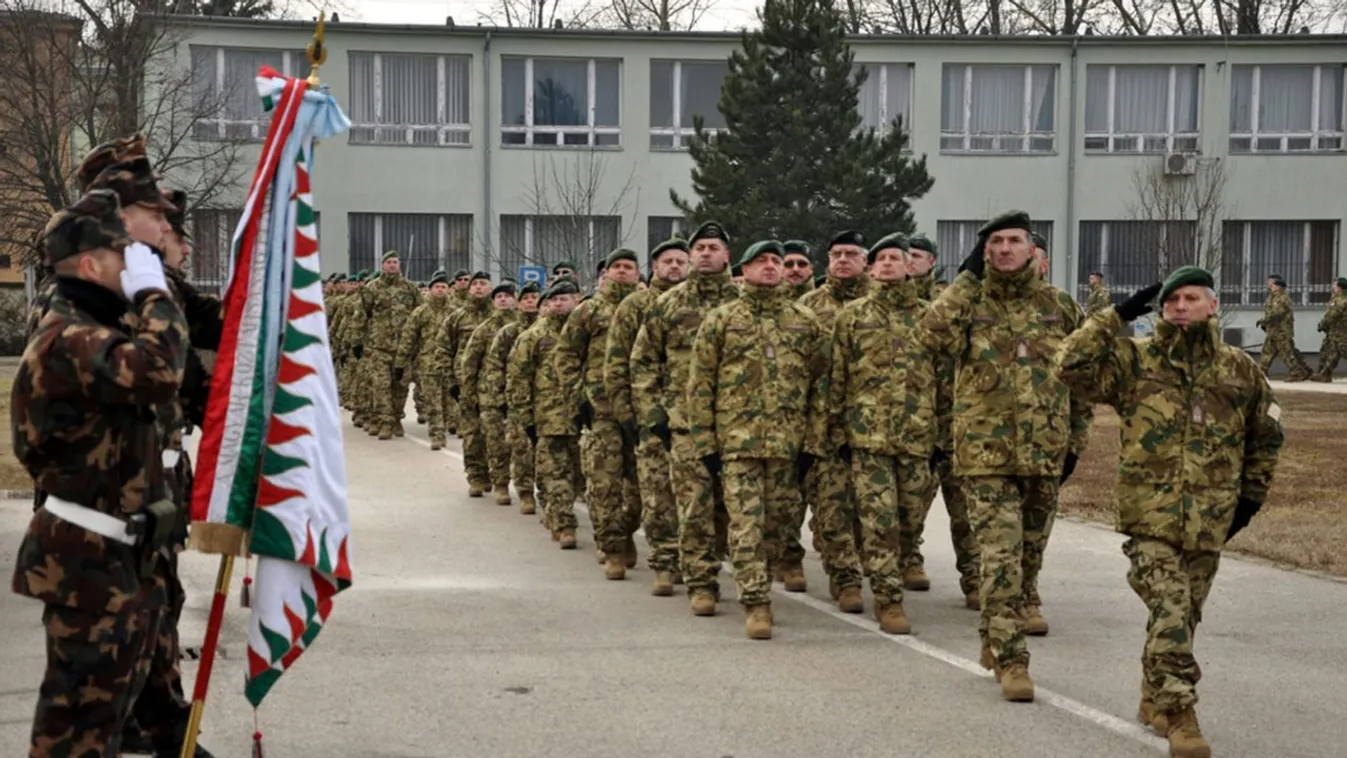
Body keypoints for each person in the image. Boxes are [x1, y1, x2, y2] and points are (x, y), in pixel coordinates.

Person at [1054, 266, 1284, 758]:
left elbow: (1266, 437)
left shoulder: (1240, 370)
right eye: (1171, 299)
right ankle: (1180, 713)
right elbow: (1068, 366)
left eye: (1191, 298)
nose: (1180, 306)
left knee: (1183, 615)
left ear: (1213, 305)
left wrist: (1249, 500)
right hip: (1149, 517)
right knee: (1171, 608)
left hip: (1210, 518)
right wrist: (1112, 317)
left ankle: (1152, 695)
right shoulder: (1135, 362)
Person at [12, 189, 189, 757]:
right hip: (85, 564)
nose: (138, 262)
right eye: (125, 256)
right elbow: (161, 371)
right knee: (76, 734)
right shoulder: (69, 339)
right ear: (91, 265)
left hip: (112, 558)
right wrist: (155, 294)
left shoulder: (95, 329)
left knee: (104, 724)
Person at [918, 210, 1092, 702]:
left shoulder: (1059, 306)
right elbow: (929, 337)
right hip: (984, 456)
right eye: (994, 242)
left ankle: (994, 634)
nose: (1004, 249)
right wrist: (966, 277)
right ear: (985, 251)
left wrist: (1074, 444)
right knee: (998, 558)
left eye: (1014, 240)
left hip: (1043, 453)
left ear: (1033, 249)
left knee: (1028, 559)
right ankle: (1013, 660)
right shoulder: (970, 303)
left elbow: (1081, 380)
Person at [686, 240, 828, 639]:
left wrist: (812, 444)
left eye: (775, 261)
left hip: (788, 444)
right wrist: (706, 444)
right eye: (760, 261)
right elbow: (700, 385)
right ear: (743, 270)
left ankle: (762, 579)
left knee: (777, 525)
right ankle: (756, 601)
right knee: (746, 523)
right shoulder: (721, 320)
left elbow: (821, 387)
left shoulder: (805, 321)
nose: (769, 267)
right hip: (737, 445)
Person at [827, 233, 937, 635]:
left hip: (918, 437)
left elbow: (945, 380)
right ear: (871, 269)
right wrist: (835, 432)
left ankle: (899, 570)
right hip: (867, 438)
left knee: (910, 520)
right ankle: (888, 600)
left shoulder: (930, 316)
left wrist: (943, 437)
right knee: (879, 520)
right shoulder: (852, 317)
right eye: (881, 259)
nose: (888, 264)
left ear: (911, 266)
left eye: (896, 258)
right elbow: (836, 378)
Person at [631, 221, 739, 615]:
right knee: (694, 505)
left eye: (714, 247)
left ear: (728, 255)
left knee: (731, 508)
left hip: (738, 425)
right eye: (700, 248)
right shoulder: (668, 304)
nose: (706, 253)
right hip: (685, 423)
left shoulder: (742, 302)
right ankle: (700, 582)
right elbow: (643, 360)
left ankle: (717, 561)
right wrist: (652, 413)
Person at [605, 238, 691, 595]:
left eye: (680, 261)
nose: (674, 267)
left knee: (693, 496)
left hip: (693, 419)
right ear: (654, 267)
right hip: (648, 417)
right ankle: (660, 561)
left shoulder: (700, 304)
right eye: (667, 261)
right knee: (652, 495)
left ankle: (688, 560)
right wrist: (627, 415)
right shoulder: (635, 305)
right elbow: (619, 362)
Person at [553, 249, 643, 579]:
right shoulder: (588, 311)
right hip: (601, 410)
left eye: (628, 267)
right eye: (615, 267)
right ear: (605, 273)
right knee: (605, 485)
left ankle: (628, 530)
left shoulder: (648, 308)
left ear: (637, 273)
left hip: (641, 410)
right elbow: (565, 356)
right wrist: (578, 399)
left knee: (641, 488)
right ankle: (612, 548)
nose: (622, 272)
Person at [798, 230, 872, 608]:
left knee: (877, 511)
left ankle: (871, 564)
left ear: (865, 260)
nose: (843, 260)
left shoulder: (881, 304)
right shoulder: (809, 307)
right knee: (832, 506)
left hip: (876, 425)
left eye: (851, 253)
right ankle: (845, 580)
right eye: (836, 254)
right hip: (825, 425)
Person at [906, 233, 978, 604]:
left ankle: (975, 578)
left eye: (917, 255)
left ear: (932, 262)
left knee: (964, 510)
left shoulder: (948, 302)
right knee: (911, 506)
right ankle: (909, 559)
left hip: (959, 423)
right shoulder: (893, 304)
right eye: (906, 255)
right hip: (919, 425)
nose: (909, 261)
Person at [509, 279, 583, 546]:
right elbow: (518, 378)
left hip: (583, 418)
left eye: (565, 298)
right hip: (548, 419)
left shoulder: (586, 332)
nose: (559, 304)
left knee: (578, 474)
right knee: (555, 473)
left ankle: (556, 511)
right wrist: (526, 419)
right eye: (554, 300)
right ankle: (565, 526)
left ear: (577, 300)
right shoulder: (534, 336)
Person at [351, 250, 422, 440]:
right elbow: (361, 314)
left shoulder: (410, 288)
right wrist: (356, 340)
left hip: (403, 348)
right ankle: (384, 422)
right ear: (382, 265)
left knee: (400, 386)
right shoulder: (372, 288)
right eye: (388, 262)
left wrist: (420, 342)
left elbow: (420, 316)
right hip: (379, 346)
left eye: (395, 262)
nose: (392, 265)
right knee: (381, 386)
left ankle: (397, 417)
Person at [463, 281, 521, 504]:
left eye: (508, 296)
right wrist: (468, 393)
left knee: (518, 443)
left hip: (519, 393)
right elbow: (470, 362)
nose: (503, 299)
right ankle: (500, 483)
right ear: (493, 301)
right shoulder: (484, 329)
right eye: (499, 297)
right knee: (494, 440)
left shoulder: (522, 327)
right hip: (490, 393)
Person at [435, 271, 493, 495]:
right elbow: (443, 348)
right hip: (466, 383)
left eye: (483, 284)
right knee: (472, 432)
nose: (478, 288)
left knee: (496, 433)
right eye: (475, 284)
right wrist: (451, 380)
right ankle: (476, 477)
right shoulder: (457, 317)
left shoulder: (502, 316)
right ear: (468, 289)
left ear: (490, 288)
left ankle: (497, 475)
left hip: (495, 384)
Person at [397, 271, 455, 448]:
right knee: (432, 399)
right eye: (436, 287)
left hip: (450, 363)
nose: (440, 290)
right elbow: (408, 337)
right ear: (430, 290)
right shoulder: (420, 312)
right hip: (428, 362)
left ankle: (448, 424)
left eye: (443, 287)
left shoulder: (455, 313)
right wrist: (401, 362)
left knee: (449, 399)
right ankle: (436, 434)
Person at [1257, 274, 1312, 381]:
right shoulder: (1273, 297)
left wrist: (1264, 320)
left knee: (1286, 353)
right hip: (1273, 331)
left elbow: (1276, 313)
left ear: (1279, 286)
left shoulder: (1281, 298)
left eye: (1272, 285)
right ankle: (1261, 372)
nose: (1270, 286)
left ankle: (1297, 373)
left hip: (1281, 331)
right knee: (1267, 352)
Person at [1312, 277, 1346, 382]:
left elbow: (1333, 315)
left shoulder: (1341, 299)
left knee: (1341, 351)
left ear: (1340, 287)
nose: (1333, 286)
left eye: (1335, 284)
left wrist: (1323, 324)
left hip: (1341, 331)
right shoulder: (1337, 298)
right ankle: (1324, 375)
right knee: (1331, 352)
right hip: (1335, 331)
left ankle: (1324, 374)